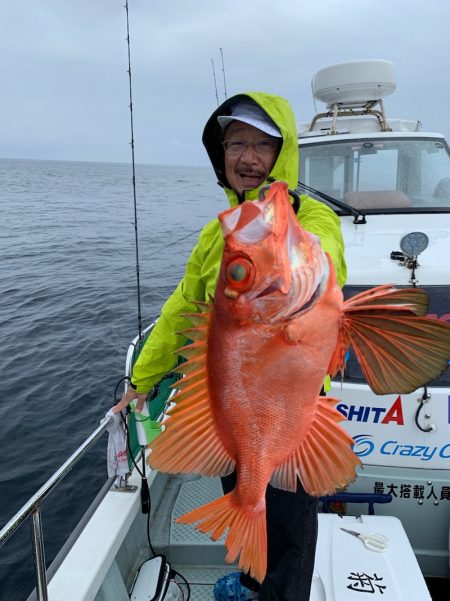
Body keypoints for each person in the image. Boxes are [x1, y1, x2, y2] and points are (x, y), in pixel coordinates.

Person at [114, 92, 346, 601]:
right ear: (220, 156)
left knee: (289, 535)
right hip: (234, 410)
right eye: (236, 143)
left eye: (262, 145)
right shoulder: (214, 236)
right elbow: (181, 311)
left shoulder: (313, 223)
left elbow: (327, 265)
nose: (247, 157)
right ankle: (249, 582)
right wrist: (142, 379)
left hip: (292, 417)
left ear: (282, 155)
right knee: (246, 510)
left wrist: (285, 252)